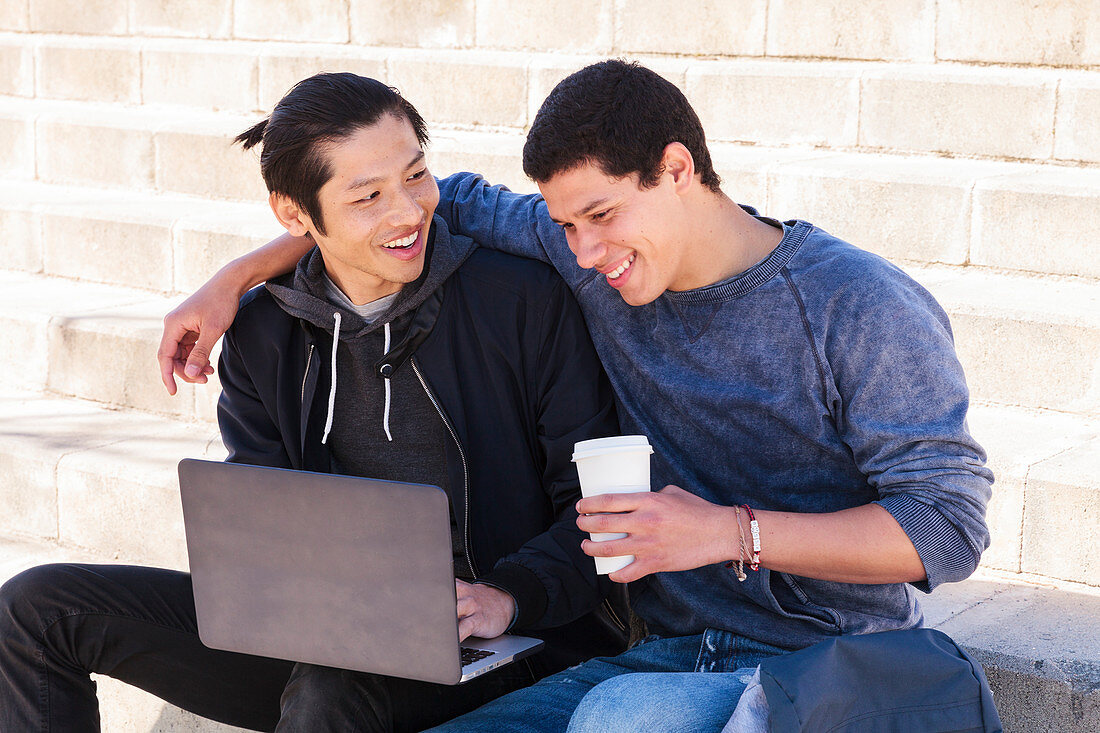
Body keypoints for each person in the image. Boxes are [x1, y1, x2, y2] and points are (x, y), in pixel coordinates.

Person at [156, 60, 994, 731]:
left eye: (601, 215)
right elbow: (401, 213)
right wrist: (233, 280)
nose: (587, 252)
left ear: (676, 169)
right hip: (660, 653)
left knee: (619, 721)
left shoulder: (859, 305)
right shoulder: (592, 257)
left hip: (822, 659)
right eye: (565, 225)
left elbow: (948, 530)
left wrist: (726, 531)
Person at [0, 72, 628, 732]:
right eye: (368, 197)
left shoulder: (521, 303)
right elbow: (263, 524)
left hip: (504, 637)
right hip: (327, 630)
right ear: (295, 216)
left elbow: (598, 509)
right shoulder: (260, 336)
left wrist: (506, 594)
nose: (409, 211)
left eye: (416, 175)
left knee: (332, 687)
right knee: (35, 609)